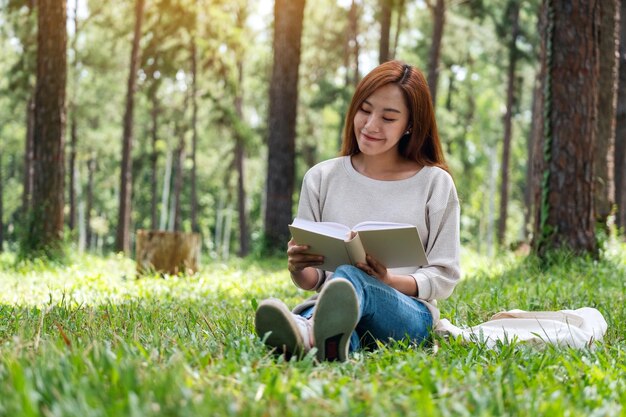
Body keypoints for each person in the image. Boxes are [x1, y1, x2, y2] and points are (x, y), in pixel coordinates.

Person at [255, 60, 460, 362]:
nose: (371, 125)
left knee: (350, 277)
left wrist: (389, 281)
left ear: (410, 126)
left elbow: (444, 277)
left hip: (407, 314)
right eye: (365, 110)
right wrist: (299, 267)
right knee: (340, 315)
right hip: (336, 309)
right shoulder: (321, 178)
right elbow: (317, 279)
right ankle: (329, 343)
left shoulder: (435, 183)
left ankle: (304, 330)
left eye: (388, 118)